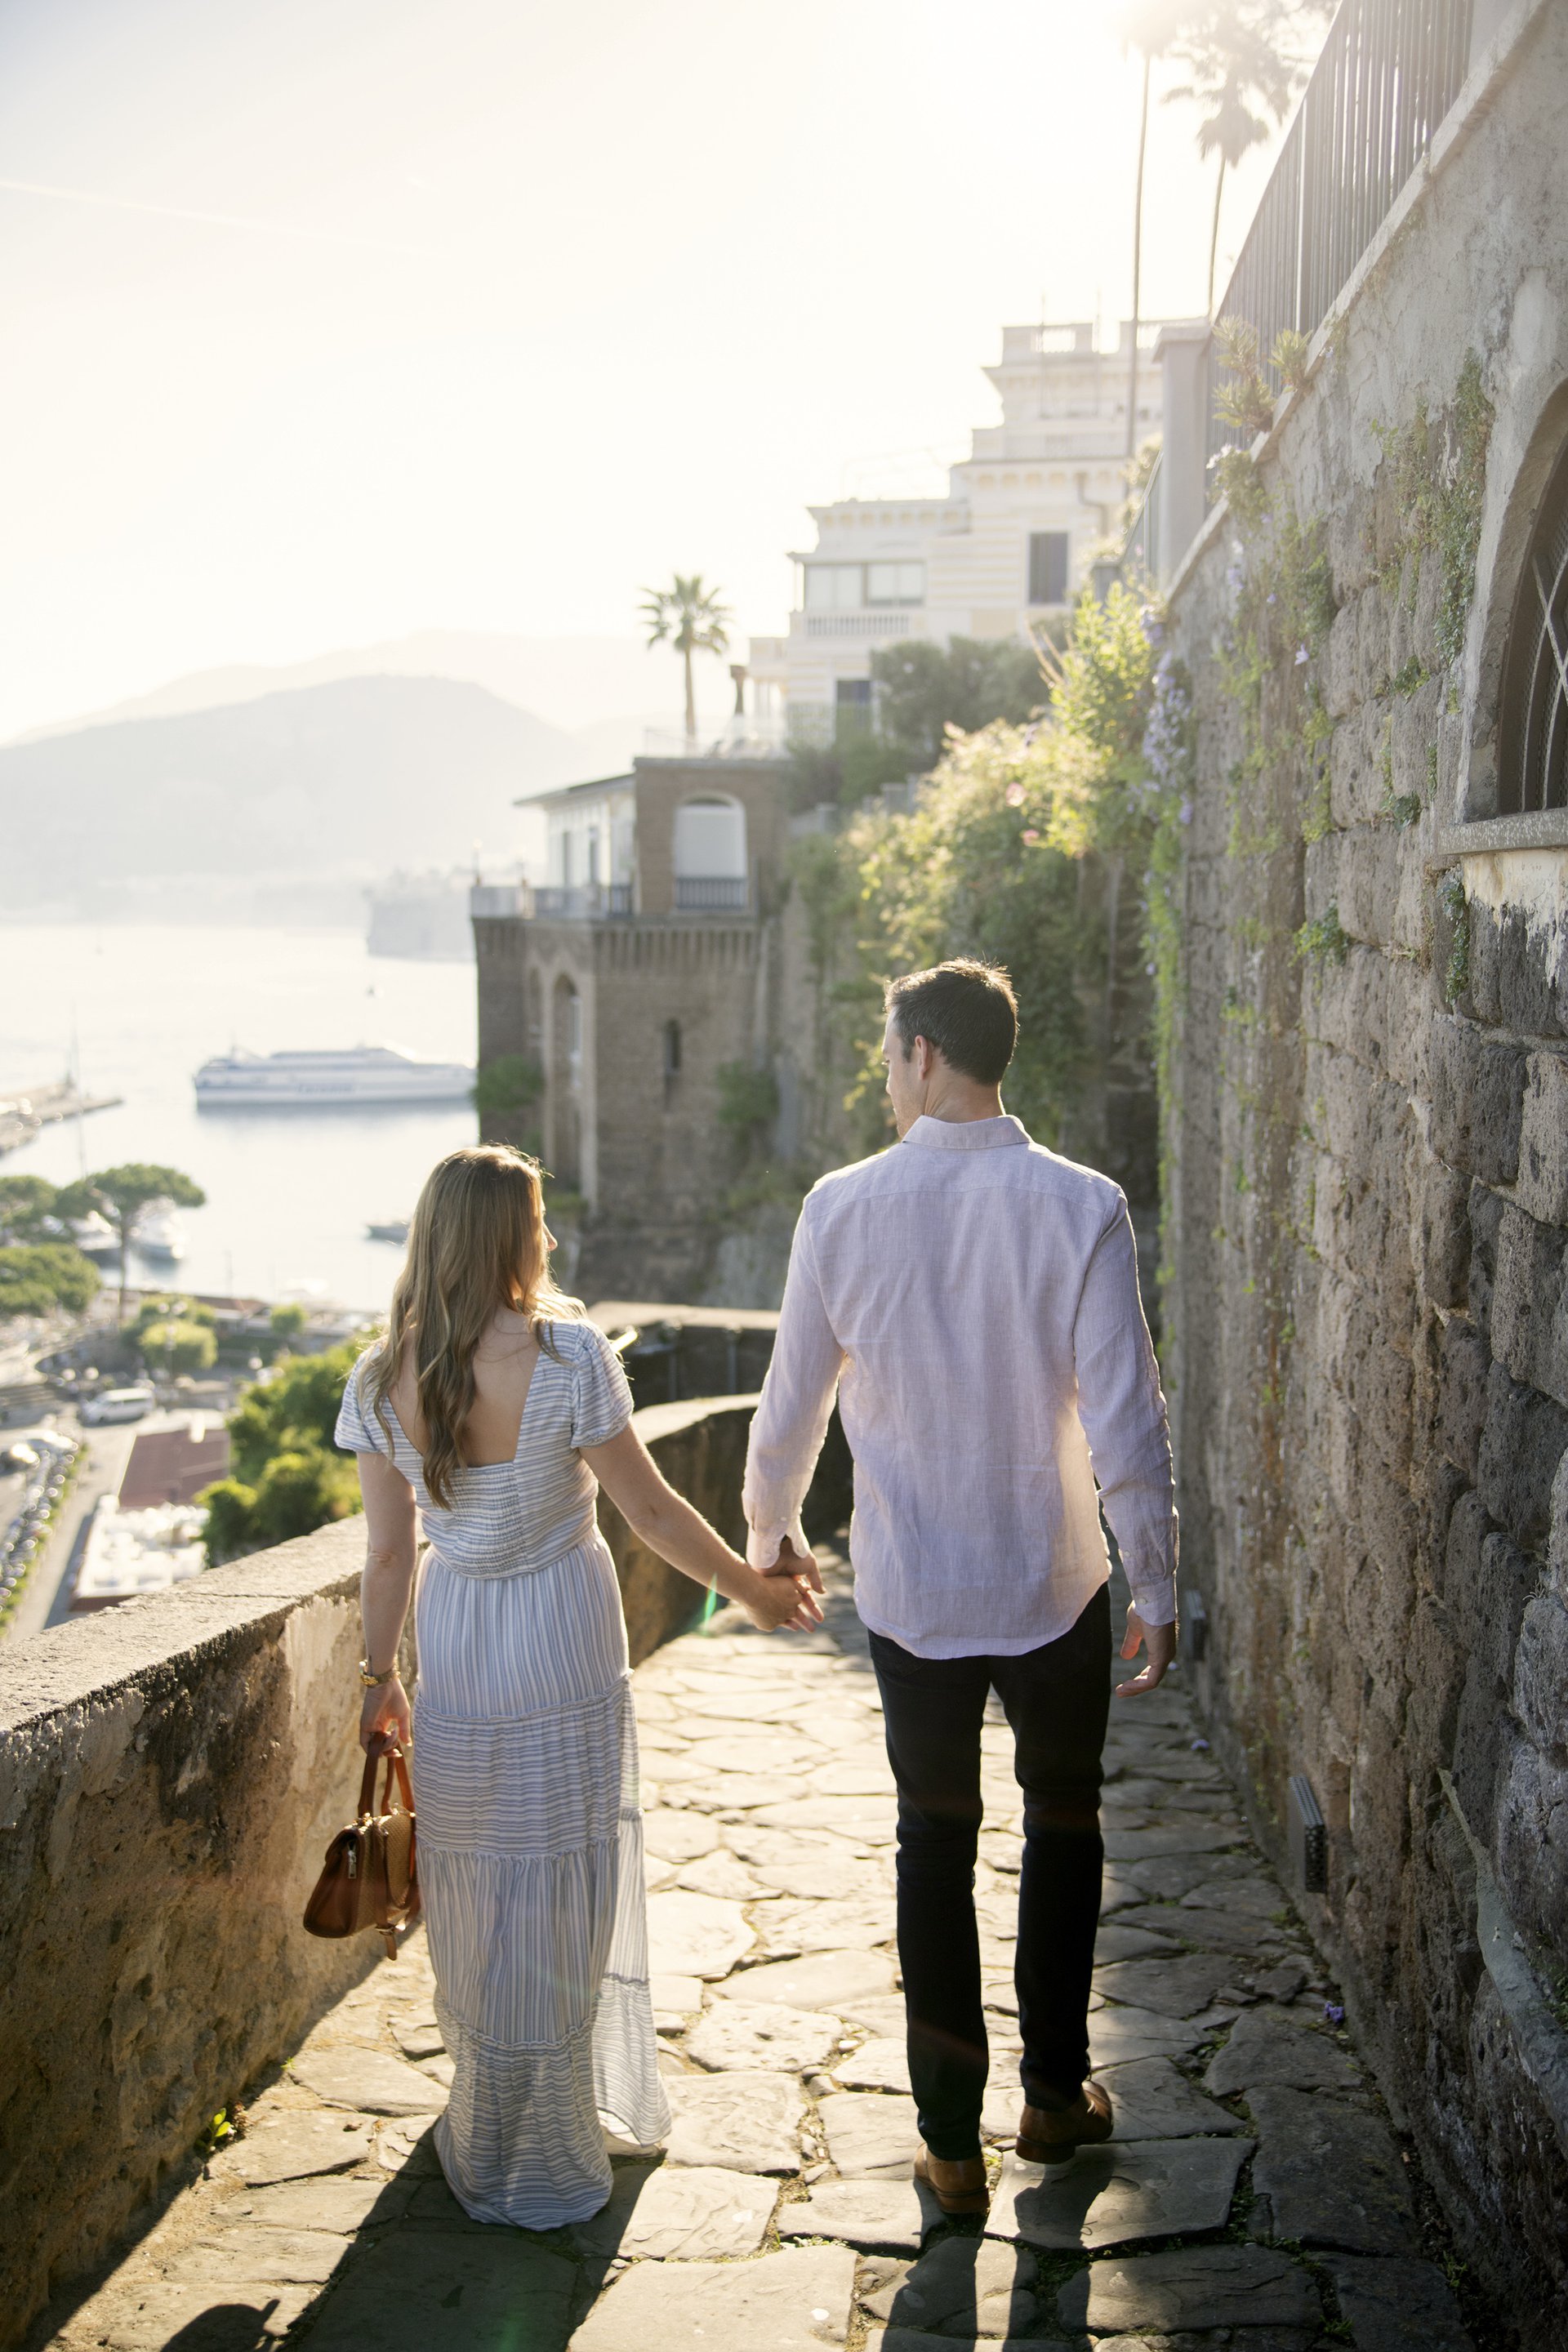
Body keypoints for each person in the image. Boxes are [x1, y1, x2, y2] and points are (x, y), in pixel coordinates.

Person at [742, 958, 1177, 2213]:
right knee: (1065, 1825)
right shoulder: (1082, 1204)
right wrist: (1155, 1577)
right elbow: (1126, 1413)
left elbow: (789, 1408)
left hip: (916, 1587)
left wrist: (774, 1533)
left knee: (933, 1845)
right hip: (1055, 1578)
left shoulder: (839, 1208)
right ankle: (1051, 2094)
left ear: (925, 1052)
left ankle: (946, 2141)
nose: (885, 1080)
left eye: (888, 1057)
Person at [338, 1144, 819, 2230]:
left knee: (479, 1875)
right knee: (562, 1872)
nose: (548, 1237)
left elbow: (383, 1554)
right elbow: (649, 1514)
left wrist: (380, 1681)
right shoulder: (567, 1357)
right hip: (559, 1629)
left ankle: (492, 2106)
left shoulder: (378, 1380)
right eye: (538, 1220)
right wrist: (744, 1588)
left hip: (456, 1638)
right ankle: (550, 2113)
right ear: (515, 1235)